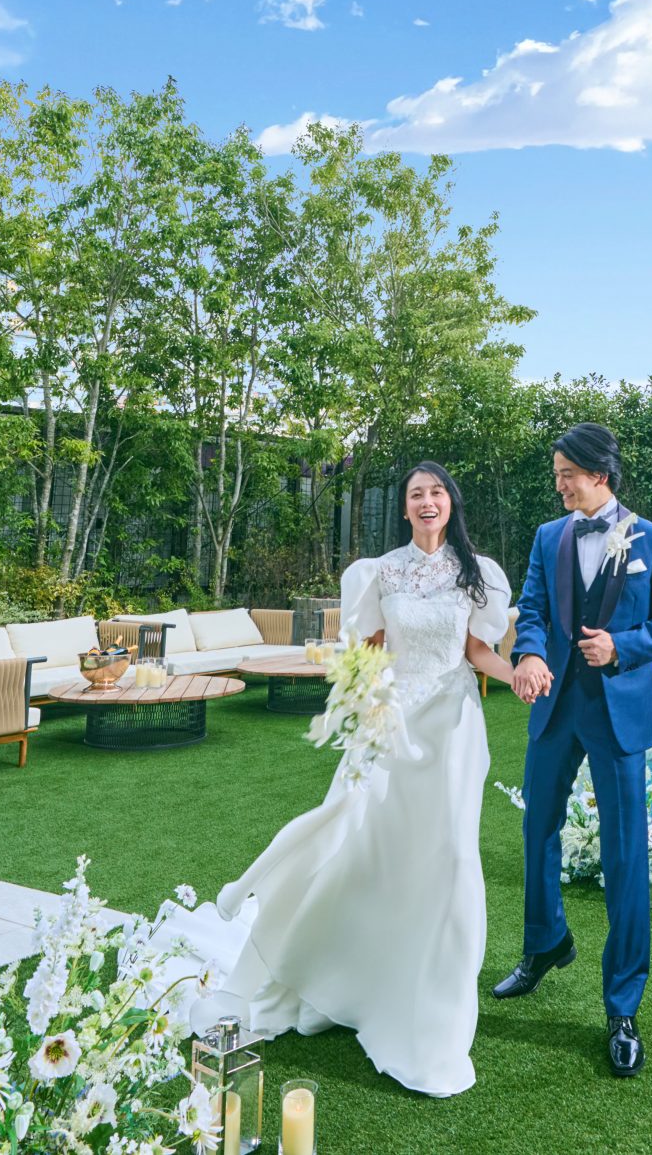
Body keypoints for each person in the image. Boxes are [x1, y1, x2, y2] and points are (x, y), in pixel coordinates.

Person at [161, 461, 517, 1098]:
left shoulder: (478, 573)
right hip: (393, 725)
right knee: (366, 849)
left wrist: (517, 673)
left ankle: (434, 1016)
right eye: (416, 494)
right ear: (404, 509)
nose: (427, 501)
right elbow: (369, 650)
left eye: (436, 492)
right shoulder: (379, 572)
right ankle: (346, 975)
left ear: (451, 503)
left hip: (453, 730)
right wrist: (362, 703)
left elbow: (477, 652)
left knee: (452, 857)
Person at [493, 421, 652, 1078]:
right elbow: (531, 609)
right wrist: (528, 653)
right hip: (556, 706)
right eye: (556, 475)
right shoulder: (548, 536)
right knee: (537, 829)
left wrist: (621, 646)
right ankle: (545, 944)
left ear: (599, 474)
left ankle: (622, 1007)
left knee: (625, 855)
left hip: (618, 714)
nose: (558, 486)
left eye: (567, 475)